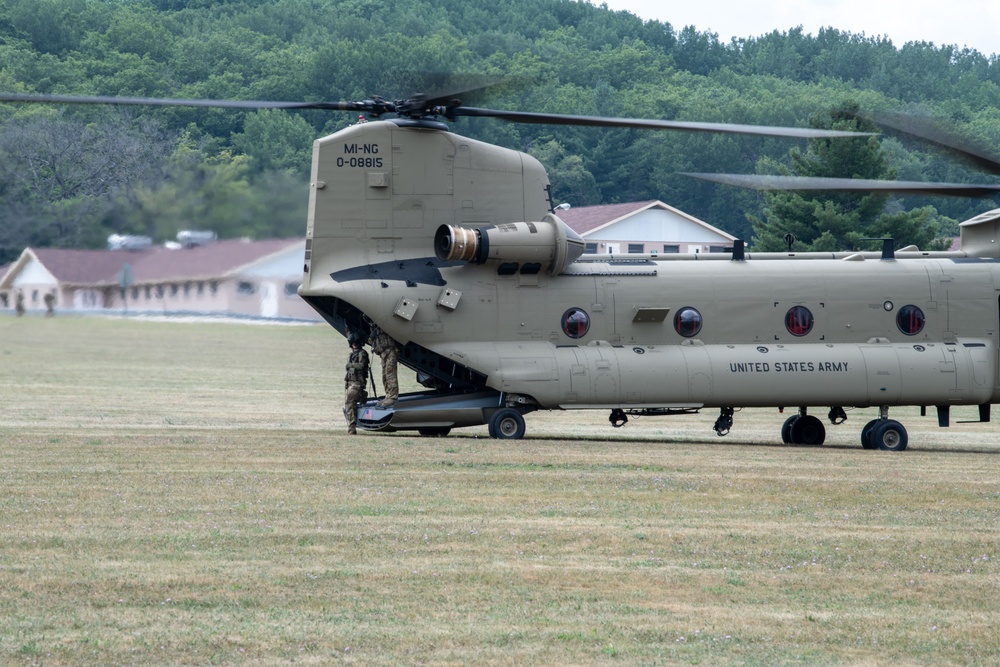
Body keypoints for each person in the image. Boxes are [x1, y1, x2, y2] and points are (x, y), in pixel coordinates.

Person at [343, 334, 370, 435]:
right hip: (351, 382)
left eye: (356, 343)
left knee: (349, 402)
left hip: (357, 383)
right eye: (353, 343)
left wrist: (350, 365)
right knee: (352, 403)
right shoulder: (352, 354)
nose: (354, 344)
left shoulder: (362, 353)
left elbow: (361, 365)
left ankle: (352, 427)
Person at [369, 325, 400, 407]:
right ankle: (388, 396)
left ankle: (393, 397)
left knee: (390, 375)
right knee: (385, 376)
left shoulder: (385, 325)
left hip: (390, 352)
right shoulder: (375, 329)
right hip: (383, 354)